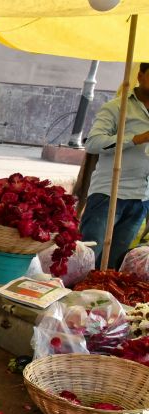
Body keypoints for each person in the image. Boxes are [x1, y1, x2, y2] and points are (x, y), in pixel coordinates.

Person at [80, 62, 149, 269]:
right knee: (87, 258)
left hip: (141, 198)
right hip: (108, 194)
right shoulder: (117, 107)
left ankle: (99, 299)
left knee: (113, 264)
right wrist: (136, 138)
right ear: (141, 75)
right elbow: (93, 143)